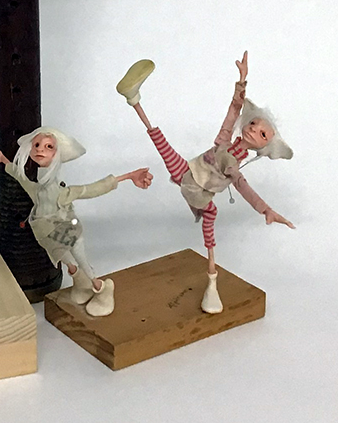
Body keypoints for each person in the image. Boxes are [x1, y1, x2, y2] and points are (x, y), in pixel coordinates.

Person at [116, 52, 294, 314]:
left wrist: (264, 209)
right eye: (254, 123)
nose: (253, 129)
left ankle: (212, 278)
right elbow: (233, 111)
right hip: (188, 177)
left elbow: (243, 186)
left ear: (265, 146)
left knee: (207, 210)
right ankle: (133, 98)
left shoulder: (232, 160)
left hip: (194, 187)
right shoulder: (225, 142)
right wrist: (241, 81)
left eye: (262, 133)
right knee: (160, 141)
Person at [0, 127, 152, 316]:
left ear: (57, 153)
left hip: (68, 231)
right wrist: (2, 159)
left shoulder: (62, 192)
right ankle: (82, 284)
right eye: (37, 145)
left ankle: (102, 289)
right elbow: (19, 176)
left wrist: (128, 176)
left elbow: (93, 188)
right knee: (67, 262)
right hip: (47, 236)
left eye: (48, 146)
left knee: (82, 261)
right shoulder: (37, 190)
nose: (40, 149)